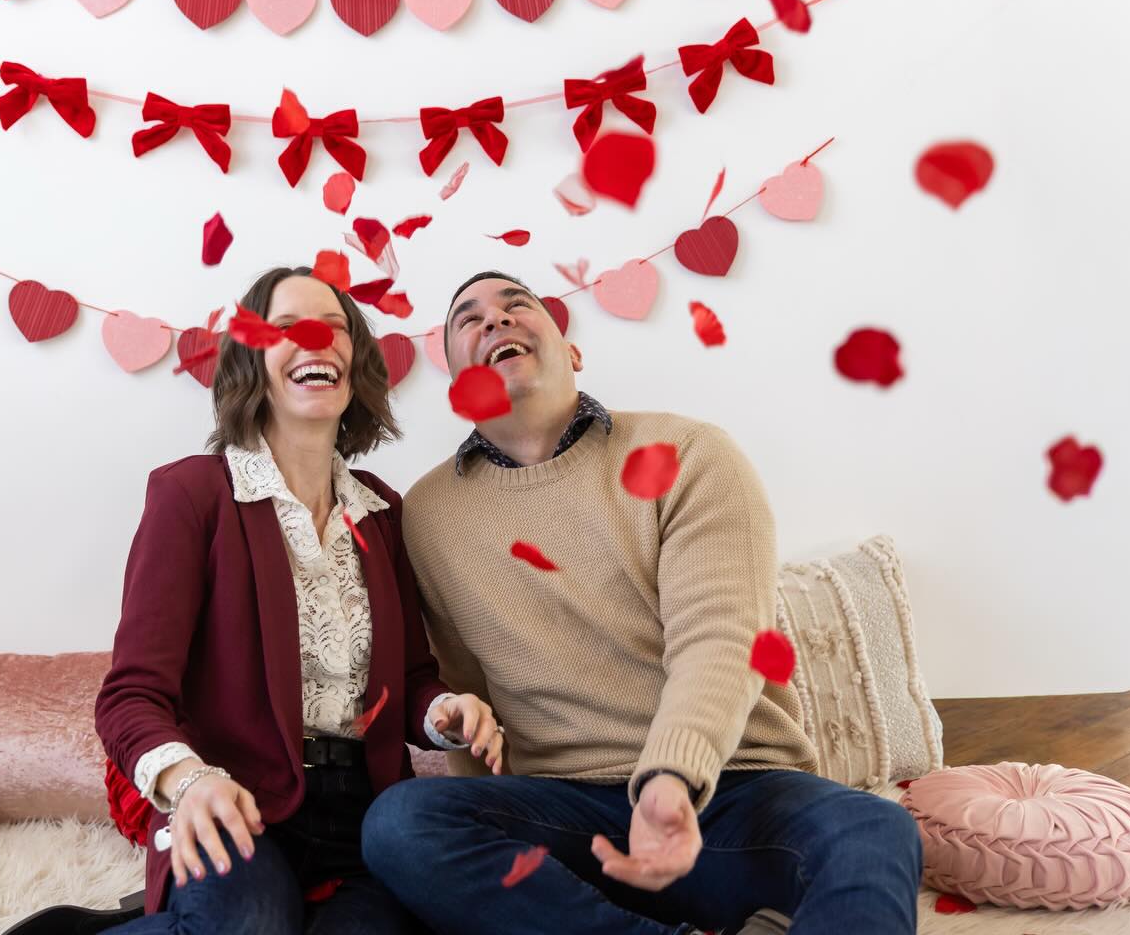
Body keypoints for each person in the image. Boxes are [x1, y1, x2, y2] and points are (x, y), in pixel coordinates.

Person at [360, 271, 924, 935]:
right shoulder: (426, 516)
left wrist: (670, 781)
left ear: (573, 352)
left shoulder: (688, 453)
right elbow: (464, 689)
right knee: (402, 825)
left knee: (874, 829)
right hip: (566, 817)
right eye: (468, 319)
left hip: (728, 795)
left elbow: (721, 639)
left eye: (518, 307)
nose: (496, 321)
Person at [96, 266, 505, 935]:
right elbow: (130, 697)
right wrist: (190, 782)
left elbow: (410, 681)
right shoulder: (192, 496)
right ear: (251, 361)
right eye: (286, 328)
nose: (316, 341)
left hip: (365, 819)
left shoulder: (382, 511)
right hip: (235, 806)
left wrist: (445, 713)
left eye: (335, 329)